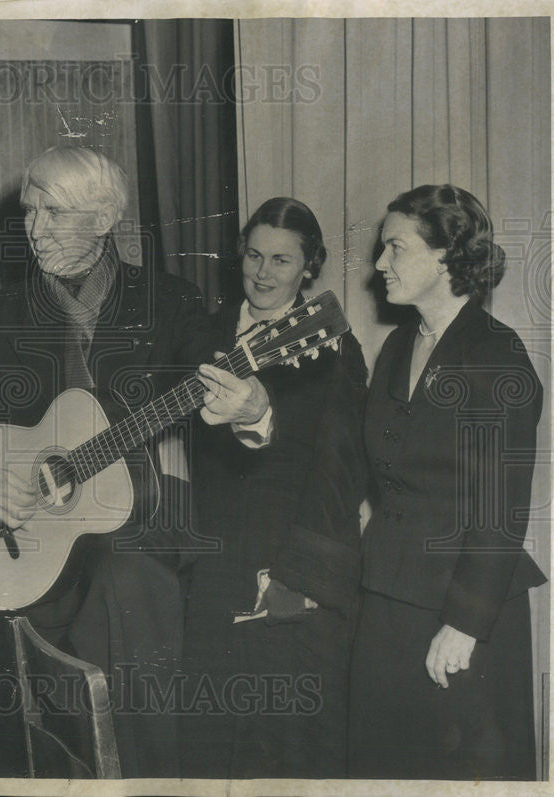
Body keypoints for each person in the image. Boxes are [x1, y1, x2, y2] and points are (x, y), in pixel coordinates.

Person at [0, 147, 264, 778]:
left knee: (130, 584)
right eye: (29, 212)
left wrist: (251, 409)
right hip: (35, 552)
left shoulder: (172, 304)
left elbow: (222, 388)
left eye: (54, 212)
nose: (34, 229)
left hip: (144, 543)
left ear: (103, 220)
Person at [348, 184, 545, 779]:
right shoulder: (396, 347)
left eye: (395, 248)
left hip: (463, 614)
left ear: (447, 257)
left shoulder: (497, 358)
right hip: (389, 597)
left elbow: (499, 510)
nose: (380, 264)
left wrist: (463, 623)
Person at [179, 197, 369, 778]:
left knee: (281, 741)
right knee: (209, 736)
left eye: (282, 262)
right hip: (207, 558)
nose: (263, 274)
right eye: (254, 256)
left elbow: (341, 472)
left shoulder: (332, 346)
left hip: (285, 559)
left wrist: (298, 578)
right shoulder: (200, 334)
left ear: (309, 268)